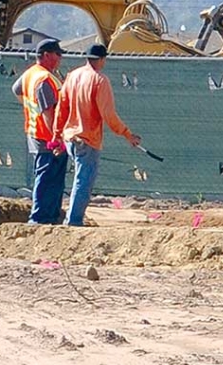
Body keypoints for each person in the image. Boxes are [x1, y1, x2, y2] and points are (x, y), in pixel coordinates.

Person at [53, 43, 140, 226]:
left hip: (70, 137)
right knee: (83, 182)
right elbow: (108, 114)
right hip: (87, 138)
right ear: (102, 60)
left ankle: (72, 219)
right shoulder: (100, 80)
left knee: (79, 178)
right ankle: (73, 221)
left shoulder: (73, 76)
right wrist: (127, 134)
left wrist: (57, 133)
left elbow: (62, 107)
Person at [12, 38, 67, 225]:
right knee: (47, 178)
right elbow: (48, 112)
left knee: (51, 177)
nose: (60, 58)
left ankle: (49, 216)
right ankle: (39, 218)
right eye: (57, 54)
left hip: (36, 132)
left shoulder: (31, 74)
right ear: (46, 55)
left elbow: (17, 90)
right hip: (46, 136)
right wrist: (56, 138)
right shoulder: (43, 79)